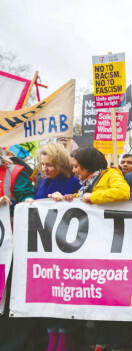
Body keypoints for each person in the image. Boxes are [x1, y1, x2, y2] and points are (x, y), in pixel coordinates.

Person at [48, 146, 129, 351]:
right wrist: (70, 198)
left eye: (77, 166)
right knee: (98, 298)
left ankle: (118, 344)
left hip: (111, 246)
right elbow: (84, 199)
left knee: (112, 298)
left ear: (88, 164)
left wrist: (92, 198)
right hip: (93, 248)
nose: (74, 171)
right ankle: (101, 342)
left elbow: (122, 192)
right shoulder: (87, 183)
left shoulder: (112, 174)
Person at [32, 143, 82, 351]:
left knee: (61, 293)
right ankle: (51, 336)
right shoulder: (41, 184)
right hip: (44, 248)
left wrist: (71, 199)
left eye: (50, 165)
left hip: (65, 249)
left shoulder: (73, 182)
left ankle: (64, 337)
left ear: (61, 164)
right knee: (45, 293)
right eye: (43, 164)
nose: (45, 169)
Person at [0, 148, 35, 351]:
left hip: (9, 247)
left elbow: (28, 203)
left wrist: (11, 205)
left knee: (7, 298)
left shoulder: (14, 172)